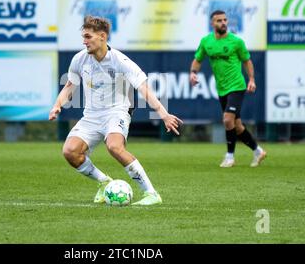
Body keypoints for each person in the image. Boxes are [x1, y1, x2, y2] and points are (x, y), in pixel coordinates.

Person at [49, 16, 183, 206]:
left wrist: (163, 113)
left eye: (88, 36)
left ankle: (151, 194)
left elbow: (144, 88)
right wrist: (57, 105)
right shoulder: (79, 59)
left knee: (114, 147)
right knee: (70, 152)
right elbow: (70, 86)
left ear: (102, 36)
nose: (84, 41)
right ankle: (104, 182)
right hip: (91, 115)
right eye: (83, 37)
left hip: (117, 111)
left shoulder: (120, 61)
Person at [189, 10, 267, 168]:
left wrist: (251, 79)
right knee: (237, 126)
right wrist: (193, 73)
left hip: (237, 86)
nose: (223, 23)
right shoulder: (206, 42)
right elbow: (198, 59)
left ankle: (230, 156)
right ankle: (258, 151)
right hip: (222, 88)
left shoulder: (236, 42)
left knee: (227, 119)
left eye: (225, 20)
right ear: (212, 24)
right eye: (219, 21)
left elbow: (247, 61)